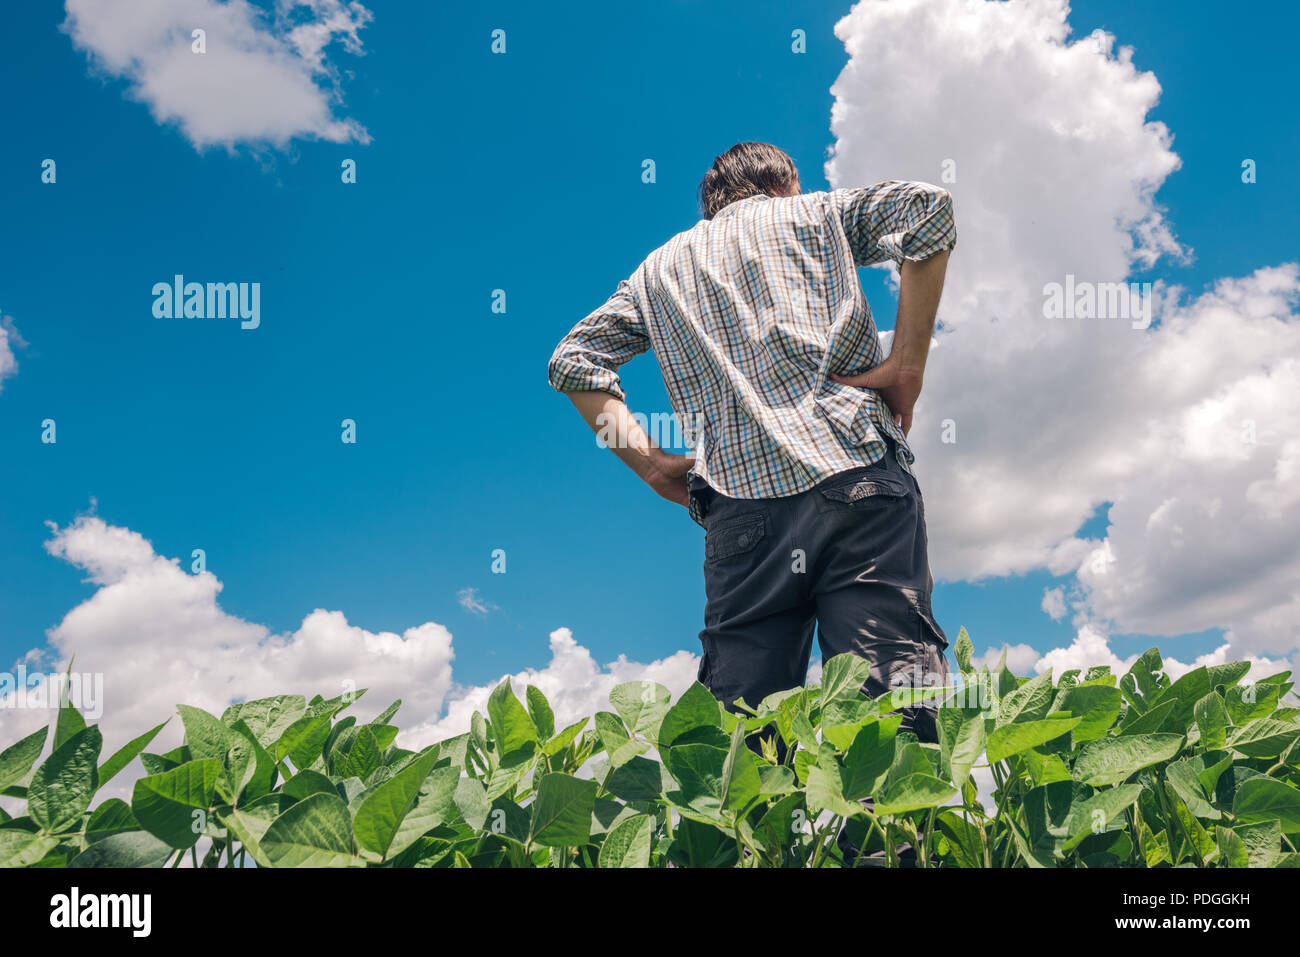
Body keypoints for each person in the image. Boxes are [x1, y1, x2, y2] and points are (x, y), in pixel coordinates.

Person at [547, 143, 956, 857]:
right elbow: (929, 210)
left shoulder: (658, 269)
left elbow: (573, 360)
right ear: (783, 183)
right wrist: (907, 365)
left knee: (741, 726)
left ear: (712, 201)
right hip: (855, 475)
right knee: (891, 693)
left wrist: (648, 464)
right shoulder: (817, 213)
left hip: (742, 514)